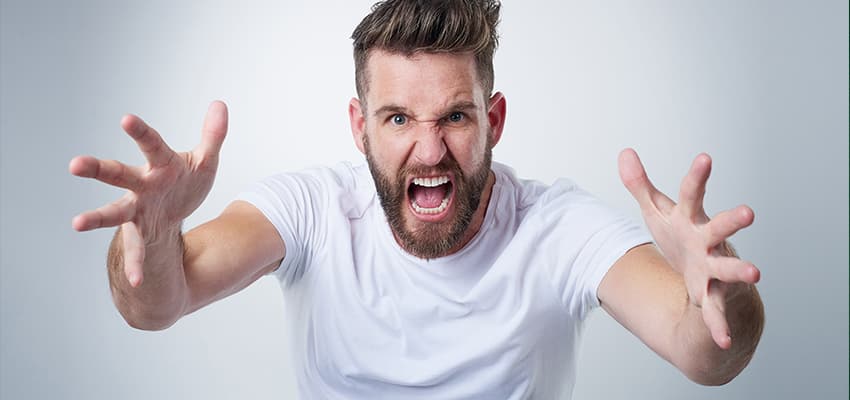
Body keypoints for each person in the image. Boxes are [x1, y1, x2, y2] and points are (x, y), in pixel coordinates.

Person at [69, 0, 764, 398]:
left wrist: (718, 293)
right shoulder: (312, 210)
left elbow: (707, 355)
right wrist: (152, 235)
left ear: (493, 121)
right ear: (359, 127)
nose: (429, 151)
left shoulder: (558, 229)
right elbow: (154, 306)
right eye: (399, 118)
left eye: (454, 117)